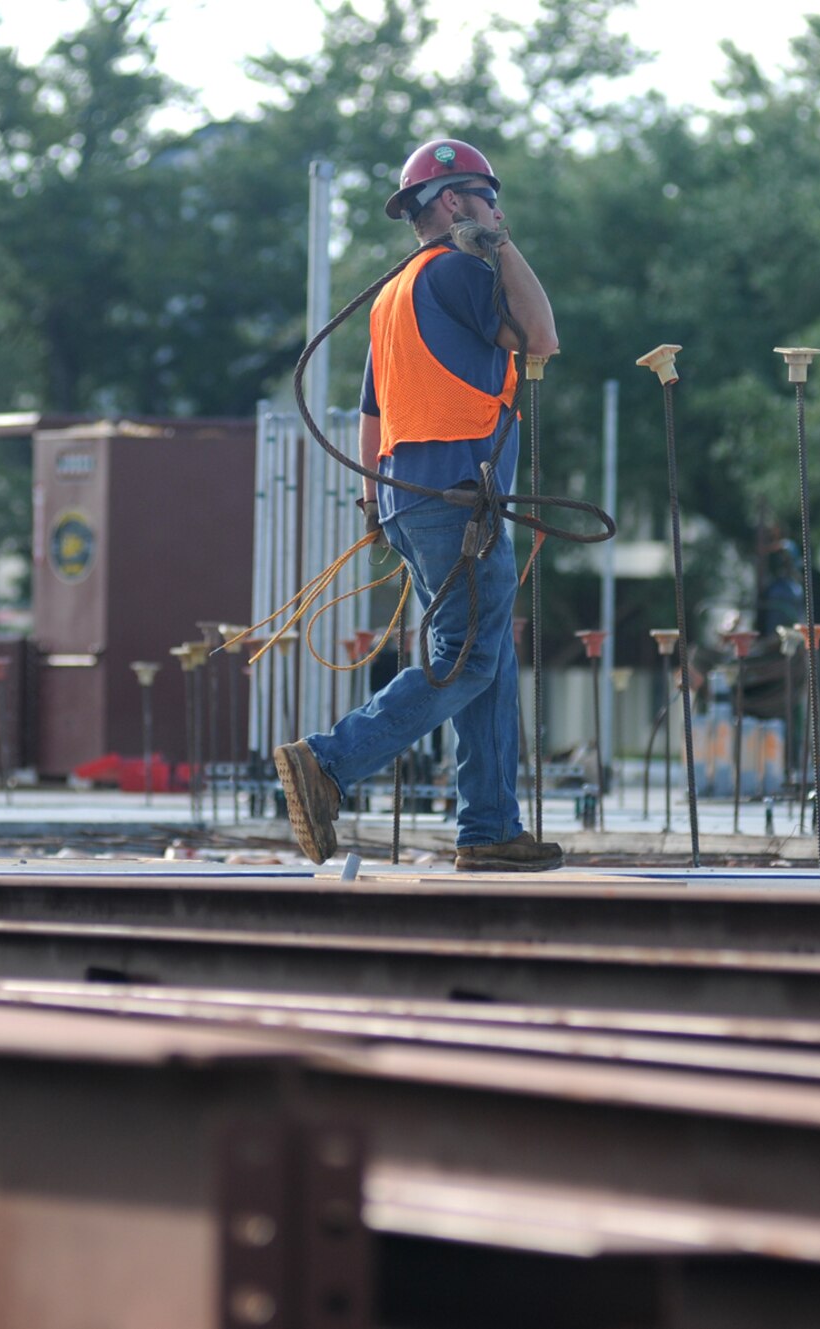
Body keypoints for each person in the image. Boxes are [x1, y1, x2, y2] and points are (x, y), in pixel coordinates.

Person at [274, 138, 563, 872]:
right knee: (464, 659)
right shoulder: (462, 271)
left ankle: (491, 826)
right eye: (488, 198)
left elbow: (373, 409)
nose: (500, 211)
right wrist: (500, 243)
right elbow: (541, 338)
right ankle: (331, 762)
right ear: (455, 203)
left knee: (485, 659)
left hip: (413, 496)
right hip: (457, 493)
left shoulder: (395, 294)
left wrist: (374, 499)